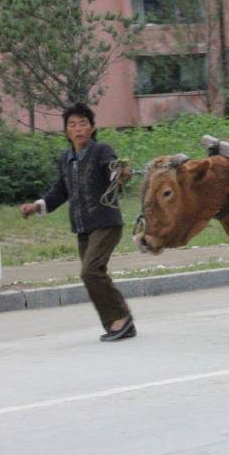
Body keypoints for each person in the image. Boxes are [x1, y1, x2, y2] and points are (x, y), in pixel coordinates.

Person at [21, 103, 136, 342]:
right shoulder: (67, 159)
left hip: (105, 222)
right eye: (72, 125)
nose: (78, 129)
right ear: (66, 132)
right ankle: (120, 322)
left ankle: (121, 319)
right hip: (83, 227)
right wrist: (37, 206)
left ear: (92, 128)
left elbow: (112, 169)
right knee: (93, 274)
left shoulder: (101, 150)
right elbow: (60, 190)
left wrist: (121, 174)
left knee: (90, 271)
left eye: (83, 123)